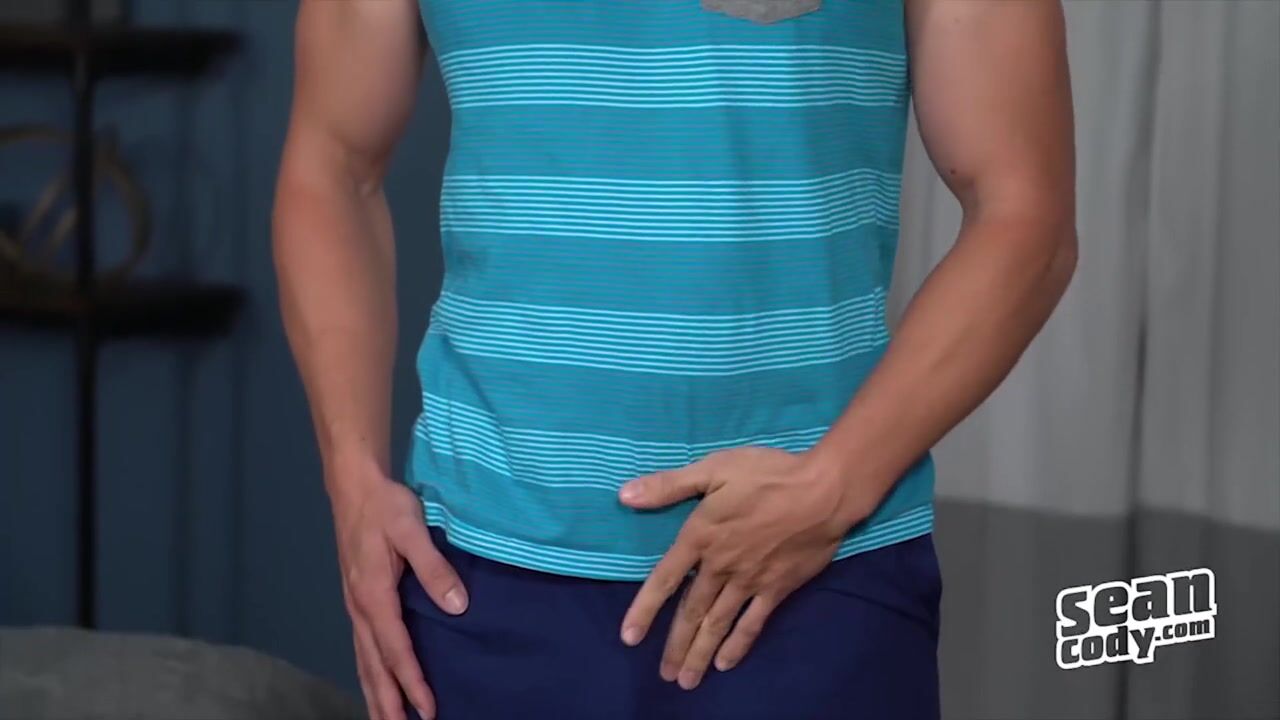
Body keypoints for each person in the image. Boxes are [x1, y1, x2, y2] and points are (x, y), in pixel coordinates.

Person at [272, 0, 1075, 718]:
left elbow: (1024, 213)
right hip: (484, 574)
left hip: (813, 562)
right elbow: (333, 165)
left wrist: (834, 485)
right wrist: (353, 480)